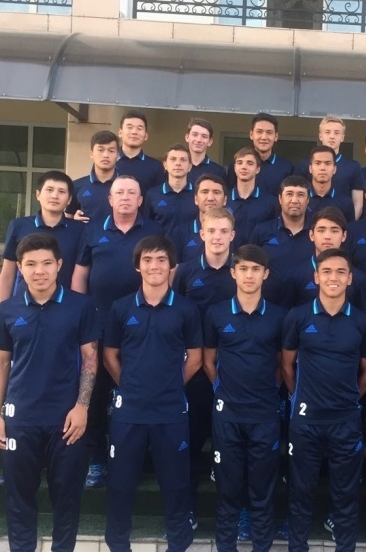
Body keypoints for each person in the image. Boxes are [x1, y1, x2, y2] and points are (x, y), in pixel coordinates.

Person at [0, 232, 100, 552]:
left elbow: (90, 358)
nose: (40, 271)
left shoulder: (81, 306)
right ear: (20, 268)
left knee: (66, 498)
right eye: (31, 264)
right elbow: (0, 362)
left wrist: (82, 406)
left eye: (47, 263)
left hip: (66, 421)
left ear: (59, 265)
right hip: (20, 419)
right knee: (19, 498)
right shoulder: (8, 310)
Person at [102, 235, 202, 552]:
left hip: (171, 411)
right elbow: (109, 355)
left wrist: (170, 384)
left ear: (172, 266)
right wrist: (130, 384)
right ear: (138, 266)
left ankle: (178, 544)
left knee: (176, 485)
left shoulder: (186, 309)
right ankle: (118, 544)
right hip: (129, 412)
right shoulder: (121, 308)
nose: (154, 266)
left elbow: (196, 358)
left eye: (161, 259)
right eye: (147, 260)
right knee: (120, 483)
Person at [71, 175, 164, 489]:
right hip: (98, 325)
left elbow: (168, 271)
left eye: (131, 193)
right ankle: (97, 460)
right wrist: (78, 313)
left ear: (140, 200)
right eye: (119, 192)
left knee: (138, 390)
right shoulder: (93, 230)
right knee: (96, 395)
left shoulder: (154, 231)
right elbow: (80, 274)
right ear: (110, 199)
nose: (125, 197)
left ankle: (138, 460)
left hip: (142, 326)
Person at [282, 248, 366, 552]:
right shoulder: (298, 316)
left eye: (340, 272)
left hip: (345, 421)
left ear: (349, 278)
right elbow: (286, 365)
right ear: (316, 277)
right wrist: (299, 397)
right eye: (326, 271)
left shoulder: (362, 322)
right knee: (301, 492)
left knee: (346, 494)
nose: (333, 277)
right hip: (306, 421)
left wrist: (350, 399)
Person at [204, 244, 287, 552]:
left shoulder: (279, 316)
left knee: (262, 491)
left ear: (265, 274)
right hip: (228, 415)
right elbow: (208, 360)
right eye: (243, 269)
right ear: (233, 273)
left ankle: (261, 546)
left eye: (255, 269)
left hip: (264, 414)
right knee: (228, 490)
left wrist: (268, 390)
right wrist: (222, 389)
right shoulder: (216, 313)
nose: (249, 275)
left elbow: (283, 363)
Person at [172, 207, 239, 528]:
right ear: (201, 233)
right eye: (211, 231)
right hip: (194, 370)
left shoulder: (241, 270)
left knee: (233, 446)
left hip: (234, 369)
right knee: (191, 440)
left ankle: (236, 514)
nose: (217, 237)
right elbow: (174, 315)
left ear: (232, 235)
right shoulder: (186, 271)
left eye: (223, 231)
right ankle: (187, 509)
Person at [0, 171, 84, 304]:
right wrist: (2, 308)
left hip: (64, 305)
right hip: (24, 305)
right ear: (38, 194)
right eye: (49, 190)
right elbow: (7, 273)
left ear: (69, 199)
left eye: (61, 191)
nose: (54, 196)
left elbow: (81, 273)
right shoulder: (19, 226)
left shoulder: (79, 230)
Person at [288, 207, 366, 313]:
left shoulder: (358, 278)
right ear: (311, 235)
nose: (327, 236)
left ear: (344, 236)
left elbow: (363, 317)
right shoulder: (296, 276)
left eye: (334, 231)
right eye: (321, 230)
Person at [248, 175, 312, 307]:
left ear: (308, 200)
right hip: (268, 307)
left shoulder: (317, 233)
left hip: (308, 307)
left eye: (300, 195)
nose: (294, 200)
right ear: (280, 199)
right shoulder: (262, 231)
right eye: (289, 194)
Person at [295, 116, 363, 200]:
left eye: (336, 133)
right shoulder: (304, 164)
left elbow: (357, 203)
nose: (332, 136)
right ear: (320, 136)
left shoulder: (353, 167)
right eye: (327, 132)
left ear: (342, 137)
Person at [227, 112, 295, 195]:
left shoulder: (286, 167)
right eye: (259, 132)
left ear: (276, 136)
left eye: (269, 132)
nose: (264, 137)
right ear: (251, 134)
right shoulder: (238, 165)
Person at [170, 174, 228, 263]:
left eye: (216, 192)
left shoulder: (234, 233)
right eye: (205, 192)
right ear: (196, 199)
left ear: (225, 200)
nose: (210, 198)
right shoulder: (180, 233)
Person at [227, 147, 277, 249]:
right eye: (240, 163)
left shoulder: (271, 202)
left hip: (258, 256)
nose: (244, 167)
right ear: (235, 168)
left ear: (258, 169)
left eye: (250, 163)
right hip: (229, 256)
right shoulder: (223, 199)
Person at [68, 131, 119, 224]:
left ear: (118, 155)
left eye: (111, 151)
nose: (106, 155)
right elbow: (68, 217)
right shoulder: (76, 186)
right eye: (100, 150)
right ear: (91, 154)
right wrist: (74, 222)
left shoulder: (127, 186)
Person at [147, 143, 198, 235]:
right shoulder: (152, 195)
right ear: (165, 165)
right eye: (173, 159)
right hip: (161, 243)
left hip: (191, 244)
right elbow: (146, 226)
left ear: (190, 166)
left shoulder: (198, 194)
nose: (178, 163)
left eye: (183, 160)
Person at [116, 110, 167, 195]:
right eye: (129, 127)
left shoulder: (155, 166)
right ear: (120, 132)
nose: (134, 132)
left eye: (139, 128)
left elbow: (159, 198)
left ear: (146, 135)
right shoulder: (110, 162)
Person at [306, 145, 356, 223]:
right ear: (310, 168)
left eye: (327, 163)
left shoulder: (345, 202)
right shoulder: (301, 199)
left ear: (334, 169)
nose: (322, 168)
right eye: (318, 163)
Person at [186, 117, 228, 184]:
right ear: (187, 137)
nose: (199, 140)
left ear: (210, 142)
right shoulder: (175, 167)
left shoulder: (219, 171)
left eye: (204, 136)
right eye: (195, 135)